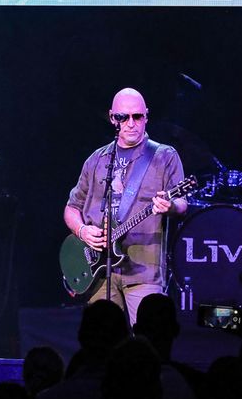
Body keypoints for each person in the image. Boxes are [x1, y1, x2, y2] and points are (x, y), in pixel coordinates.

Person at [63, 87, 188, 325]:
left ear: (146, 116)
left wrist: (170, 205)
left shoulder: (164, 156)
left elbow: (182, 204)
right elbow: (72, 208)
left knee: (147, 336)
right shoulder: (96, 160)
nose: (131, 124)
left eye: (137, 116)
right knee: (104, 339)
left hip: (144, 271)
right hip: (100, 272)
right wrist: (82, 231)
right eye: (123, 117)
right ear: (113, 118)